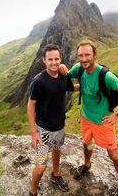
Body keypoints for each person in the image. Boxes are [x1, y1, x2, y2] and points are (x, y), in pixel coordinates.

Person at [59, 39, 118, 196]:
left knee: (113, 154)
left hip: (102, 121)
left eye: (87, 55)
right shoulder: (78, 69)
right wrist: (63, 70)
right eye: (80, 55)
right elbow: (67, 80)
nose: (84, 59)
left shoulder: (106, 76)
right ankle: (86, 165)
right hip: (86, 117)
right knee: (86, 143)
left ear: (94, 55)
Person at [27, 44, 75, 196]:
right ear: (44, 60)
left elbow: (71, 88)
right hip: (43, 130)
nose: (54, 62)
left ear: (60, 59)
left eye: (56, 58)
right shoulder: (39, 81)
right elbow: (31, 104)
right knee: (41, 165)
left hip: (59, 125)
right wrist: (34, 131)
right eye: (50, 59)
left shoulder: (63, 74)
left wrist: (93, 87)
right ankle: (32, 191)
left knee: (57, 150)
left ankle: (56, 174)